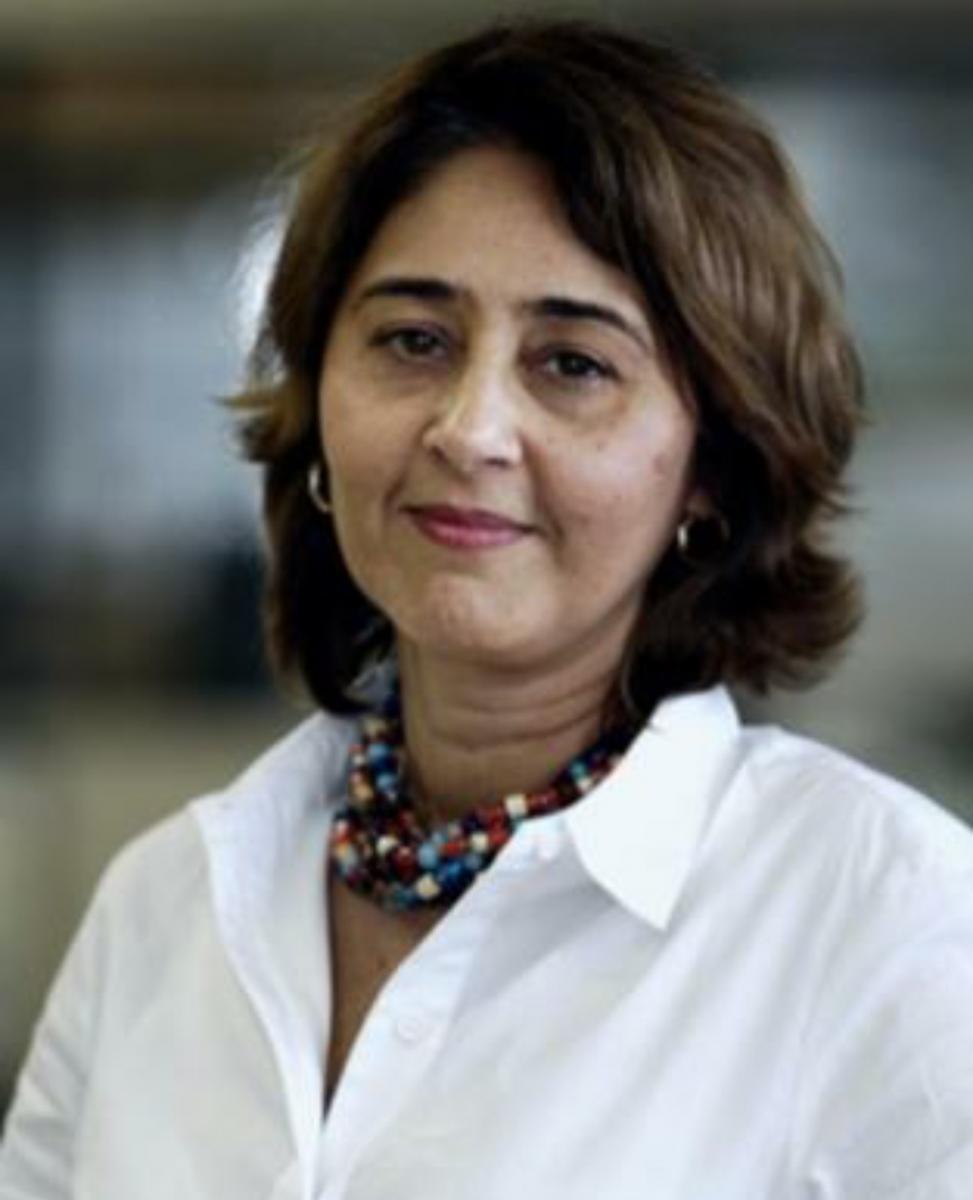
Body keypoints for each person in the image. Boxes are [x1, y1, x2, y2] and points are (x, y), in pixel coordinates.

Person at [2, 18, 972, 1200]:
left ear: (710, 467)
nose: (468, 430)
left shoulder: (885, 920)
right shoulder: (164, 905)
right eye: (413, 341)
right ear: (318, 404)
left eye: (572, 364)